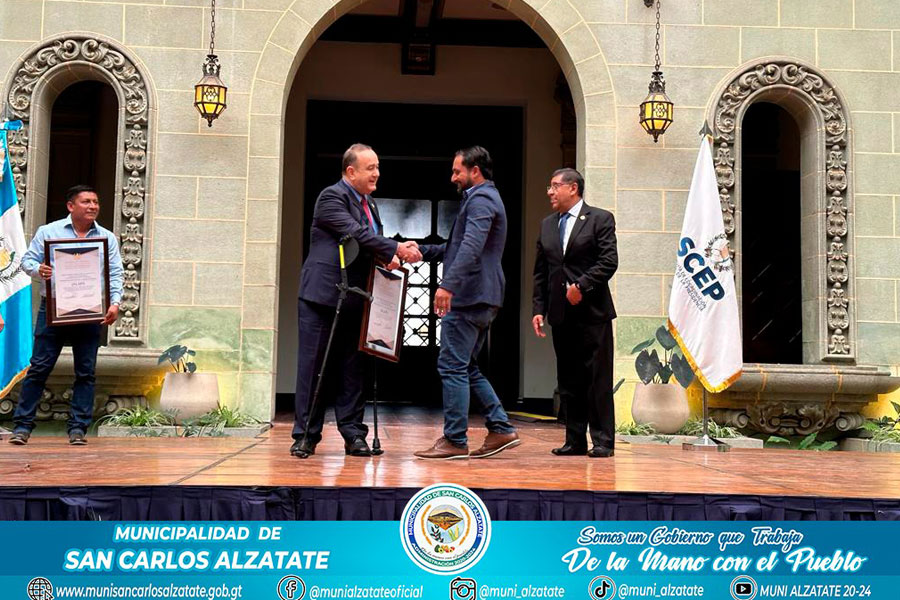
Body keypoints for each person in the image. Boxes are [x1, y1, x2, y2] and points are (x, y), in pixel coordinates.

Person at [292, 143, 421, 458]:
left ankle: (354, 435)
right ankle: (306, 436)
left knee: (354, 370)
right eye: (370, 168)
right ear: (351, 172)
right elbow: (356, 234)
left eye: (377, 167)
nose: (377, 173)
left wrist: (387, 258)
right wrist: (394, 248)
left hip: (357, 298)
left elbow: (367, 246)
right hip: (323, 298)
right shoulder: (332, 197)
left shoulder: (370, 204)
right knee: (315, 368)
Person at [414, 146, 520, 460]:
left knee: (451, 366)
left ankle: (455, 440)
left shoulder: (482, 199)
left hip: (470, 297)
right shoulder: (481, 199)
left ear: (475, 171)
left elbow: (472, 246)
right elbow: (456, 247)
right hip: (482, 297)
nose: (453, 177)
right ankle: (500, 428)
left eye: (457, 171)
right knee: (465, 366)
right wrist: (418, 251)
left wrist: (448, 286)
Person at [8, 185, 124, 446]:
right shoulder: (48, 232)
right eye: (86, 202)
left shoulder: (107, 238)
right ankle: (22, 427)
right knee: (39, 368)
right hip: (54, 310)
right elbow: (26, 262)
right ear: (71, 206)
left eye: (95, 202)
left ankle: (78, 429)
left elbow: (116, 272)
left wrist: (115, 302)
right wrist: (39, 270)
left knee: (86, 372)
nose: (93, 206)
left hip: (90, 311)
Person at [532, 168, 618, 457]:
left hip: (593, 314)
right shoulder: (547, 224)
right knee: (569, 380)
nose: (550, 192)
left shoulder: (600, 219)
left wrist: (582, 285)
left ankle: (603, 441)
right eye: (549, 186)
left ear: (573, 188)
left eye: (555, 186)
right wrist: (539, 308)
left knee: (597, 379)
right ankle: (575, 440)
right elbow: (541, 272)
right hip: (561, 315)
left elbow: (609, 261)